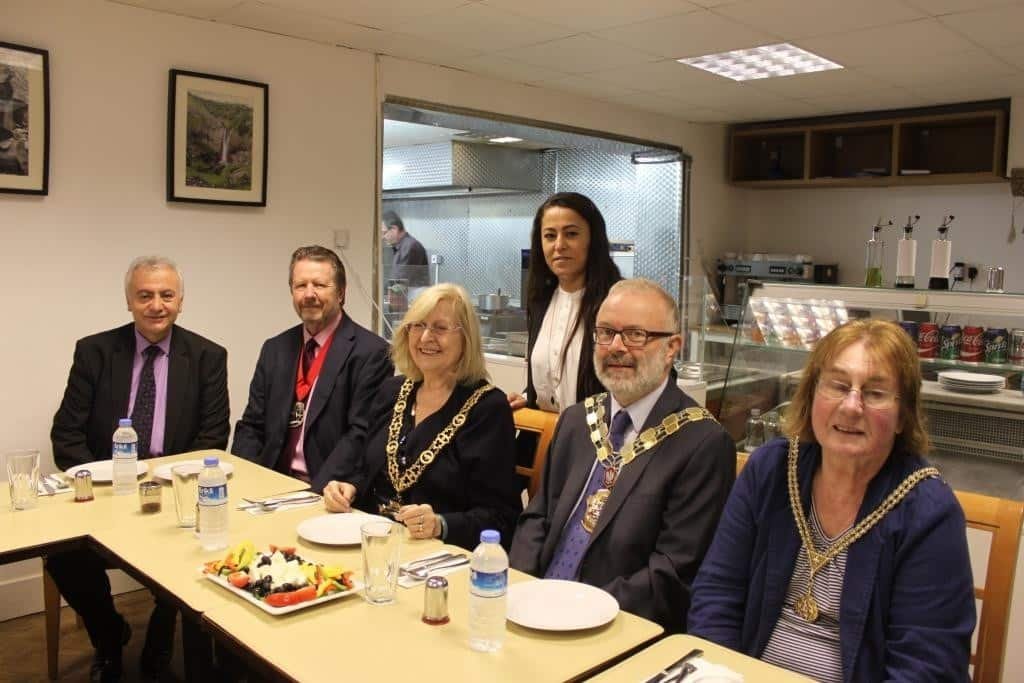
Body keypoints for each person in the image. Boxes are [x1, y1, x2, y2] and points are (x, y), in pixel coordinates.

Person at [688, 319, 975, 681]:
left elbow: (928, 667)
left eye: (875, 393)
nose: (852, 406)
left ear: (903, 416)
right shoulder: (772, 470)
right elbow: (716, 594)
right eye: (838, 386)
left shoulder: (929, 512)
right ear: (810, 396)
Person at [509, 279, 735, 632]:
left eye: (635, 335)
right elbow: (537, 518)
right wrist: (520, 588)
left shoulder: (702, 442)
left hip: (616, 627)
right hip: (533, 611)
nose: (616, 347)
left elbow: (672, 572)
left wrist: (577, 610)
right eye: (605, 333)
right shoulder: (576, 420)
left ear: (672, 347)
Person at [49, 256, 229, 682]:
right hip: (106, 494)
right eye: (145, 295)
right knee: (62, 555)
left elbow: (213, 439)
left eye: (166, 295)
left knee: (190, 544)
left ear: (181, 301)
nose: (156, 305)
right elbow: (66, 435)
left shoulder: (207, 356)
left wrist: (168, 486)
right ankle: (109, 636)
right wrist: (102, 484)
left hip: (174, 494)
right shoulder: (94, 351)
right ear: (129, 301)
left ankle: (164, 630)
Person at [322, 283, 521, 549]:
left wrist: (441, 524)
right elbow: (365, 468)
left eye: (440, 328)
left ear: (466, 338)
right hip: (372, 542)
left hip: (438, 557)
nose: (426, 337)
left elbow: (501, 518)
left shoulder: (487, 408)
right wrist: (348, 488)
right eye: (418, 325)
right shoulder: (392, 391)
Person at [232, 245, 393, 493]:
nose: (309, 294)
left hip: (328, 490)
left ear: (340, 292)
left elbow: (360, 435)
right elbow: (252, 425)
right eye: (300, 286)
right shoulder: (275, 349)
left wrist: (313, 496)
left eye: (319, 285)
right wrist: (249, 479)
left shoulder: (371, 353)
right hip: (272, 487)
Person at [508, 192, 621, 414]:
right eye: (550, 236)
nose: (559, 245)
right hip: (545, 436)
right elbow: (552, 375)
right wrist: (527, 397)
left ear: (592, 239)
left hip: (596, 441)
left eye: (571, 234)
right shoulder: (540, 300)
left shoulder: (618, 302)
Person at [382, 210, 429, 287]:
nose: (382, 237)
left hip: (413, 297)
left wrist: (382, 291)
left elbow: (399, 281)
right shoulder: (401, 246)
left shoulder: (410, 247)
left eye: (384, 233)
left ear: (394, 229)